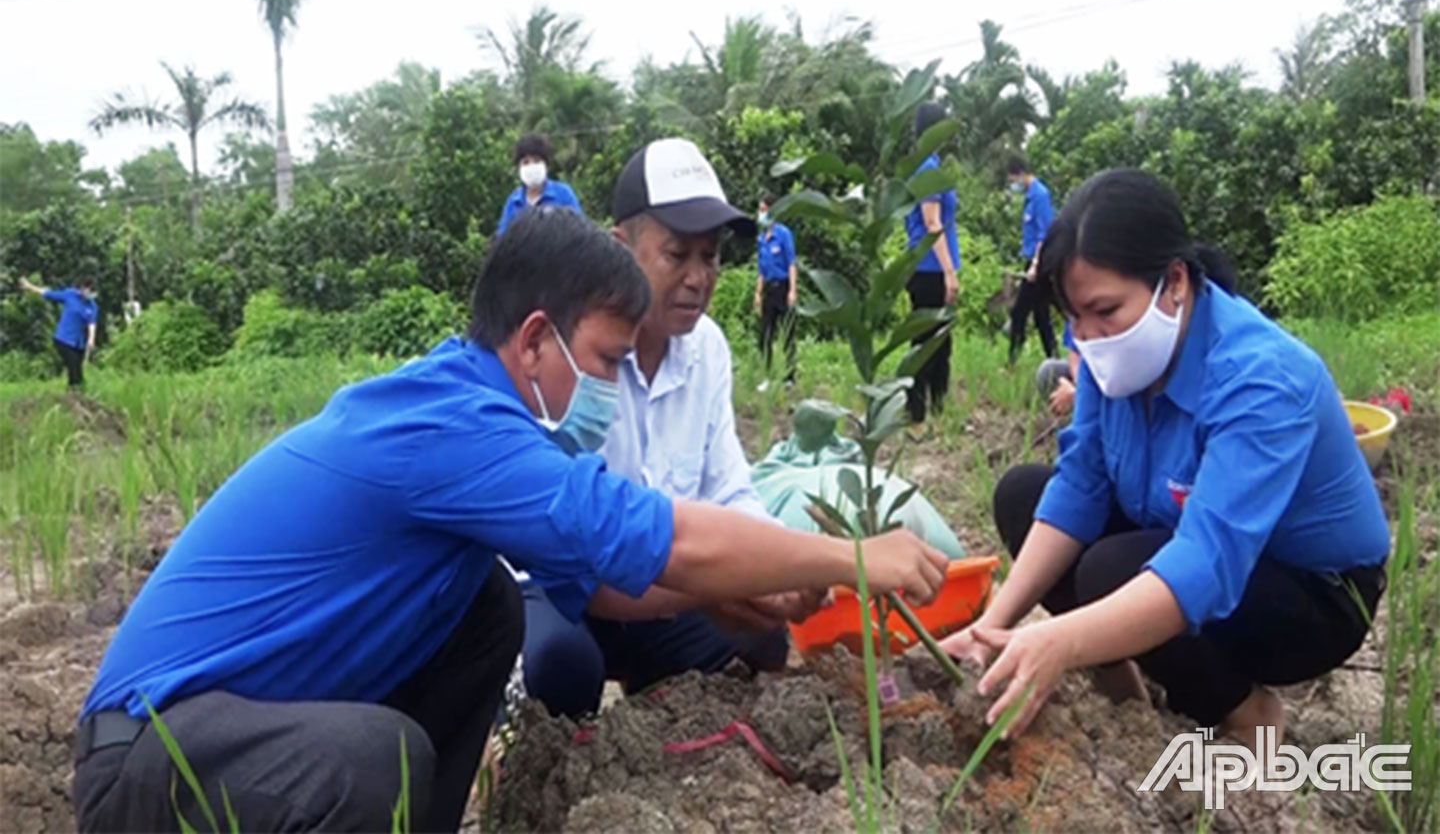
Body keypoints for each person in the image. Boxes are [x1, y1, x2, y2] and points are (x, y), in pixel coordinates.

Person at [72, 208, 948, 834]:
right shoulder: (451, 427)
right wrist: (851, 556)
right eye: (603, 361)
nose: (610, 389)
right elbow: (666, 535)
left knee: (488, 609)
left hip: (245, 738)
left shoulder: (476, 413)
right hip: (151, 760)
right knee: (374, 758)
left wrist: (717, 600)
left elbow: (602, 587)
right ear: (534, 340)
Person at [940, 169, 1389, 752]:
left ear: (1174, 280)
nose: (1089, 337)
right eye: (1074, 317)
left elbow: (1209, 559)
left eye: (1104, 310)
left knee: (1112, 569)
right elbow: (1080, 487)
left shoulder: (1261, 377)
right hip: (1178, 534)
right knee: (1024, 496)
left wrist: (1062, 641)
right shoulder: (1111, 354)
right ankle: (1126, 695)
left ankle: (1247, 711)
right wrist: (990, 628)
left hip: (1311, 593)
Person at [520, 140, 813, 719]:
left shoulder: (707, 349)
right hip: (564, 590)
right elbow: (571, 545)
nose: (698, 278)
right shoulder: (568, 353)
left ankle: (666, 730)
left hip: (660, 594)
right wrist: (710, 584)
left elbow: (727, 490)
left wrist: (780, 566)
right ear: (619, 249)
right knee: (559, 663)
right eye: (677, 254)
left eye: (711, 257)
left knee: (761, 635)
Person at [903, 102, 961, 428]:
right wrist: (949, 272)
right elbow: (931, 222)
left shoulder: (930, 164)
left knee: (941, 340)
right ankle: (915, 408)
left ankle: (938, 405)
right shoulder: (926, 168)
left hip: (934, 266)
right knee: (926, 341)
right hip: (929, 268)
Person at [1005, 156, 1058, 367]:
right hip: (1031, 261)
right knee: (1041, 315)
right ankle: (1053, 359)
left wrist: (1036, 264)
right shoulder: (1030, 197)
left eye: (1012, 180)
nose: (1013, 184)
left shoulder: (1040, 196)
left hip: (1039, 263)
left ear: (1020, 174)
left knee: (1019, 313)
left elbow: (1045, 233)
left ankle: (1012, 361)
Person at [495, 132, 584, 236]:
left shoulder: (564, 194)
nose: (531, 166)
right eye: (525, 162)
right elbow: (503, 238)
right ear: (518, 168)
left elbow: (580, 232)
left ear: (546, 165)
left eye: (537, 161)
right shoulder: (514, 202)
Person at [752, 192, 798, 391]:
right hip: (769, 289)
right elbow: (761, 270)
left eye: (763, 210)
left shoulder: (783, 234)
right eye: (760, 210)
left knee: (787, 333)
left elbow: (792, 263)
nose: (760, 214)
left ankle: (790, 377)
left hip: (783, 286)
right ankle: (767, 376)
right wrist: (758, 293)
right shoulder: (761, 239)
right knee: (766, 334)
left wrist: (793, 291)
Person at [19, 275, 98, 390]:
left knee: (78, 371)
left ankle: (75, 393)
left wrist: (91, 339)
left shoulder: (92, 306)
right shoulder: (70, 295)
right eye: (89, 290)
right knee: (73, 368)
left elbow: (92, 323)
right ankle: (74, 392)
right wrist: (30, 286)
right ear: (82, 289)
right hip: (64, 339)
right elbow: (48, 293)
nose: (91, 294)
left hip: (78, 342)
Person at [1034, 321, 1082, 417]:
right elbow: (1075, 352)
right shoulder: (1078, 316)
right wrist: (1077, 384)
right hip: (1088, 373)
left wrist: (1079, 393)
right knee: (1048, 371)